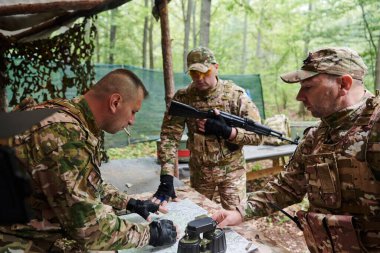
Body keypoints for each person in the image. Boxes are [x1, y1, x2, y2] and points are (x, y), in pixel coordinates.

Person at [212, 47, 380, 252]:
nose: (299, 96)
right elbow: (287, 186)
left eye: (308, 86)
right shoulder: (317, 135)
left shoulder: (375, 127)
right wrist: (238, 212)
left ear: (344, 84)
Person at [0, 69, 177, 252]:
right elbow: (89, 229)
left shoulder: (65, 115)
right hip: (16, 239)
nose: (132, 120)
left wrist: (129, 202)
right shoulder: (65, 135)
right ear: (115, 102)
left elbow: (87, 184)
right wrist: (151, 234)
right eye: (133, 111)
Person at [153, 47, 262, 210]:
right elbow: (169, 137)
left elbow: (258, 136)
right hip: (200, 174)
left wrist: (228, 132)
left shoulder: (235, 95)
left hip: (232, 173)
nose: (200, 78)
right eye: (194, 73)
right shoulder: (183, 98)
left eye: (205, 72)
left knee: (237, 221)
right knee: (199, 220)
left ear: (216, 67)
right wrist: (167, 176)